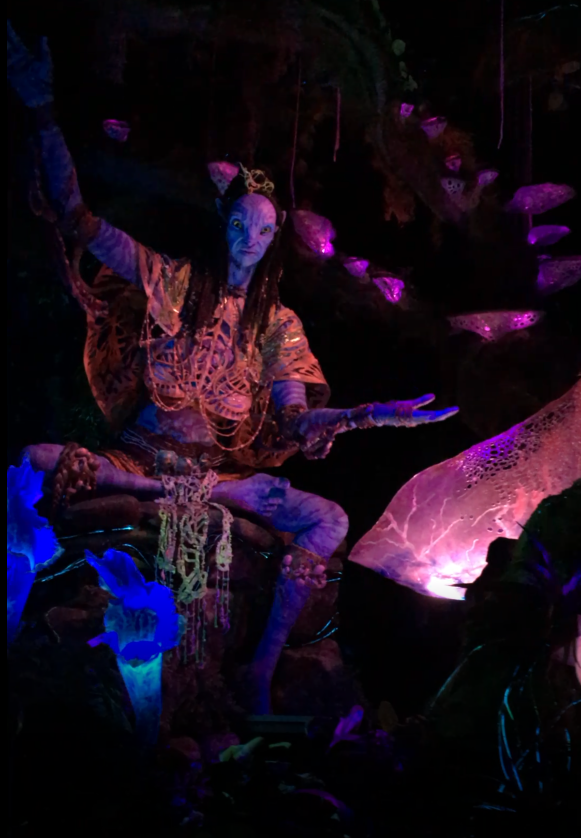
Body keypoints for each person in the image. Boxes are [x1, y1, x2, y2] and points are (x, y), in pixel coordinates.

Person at [8, 23, 458, 712]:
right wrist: (41, 107)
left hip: (218, 479)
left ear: (275, 239)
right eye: (241, 224)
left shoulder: (277, 325)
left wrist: (371, 416)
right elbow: (79, 220)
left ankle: (261, 671)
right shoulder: (169, 280)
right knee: (33, 461)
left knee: (330, 520)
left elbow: (295, 420)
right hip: (134, 463)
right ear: (225, 224)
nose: (250, 238)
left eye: (265, 229)